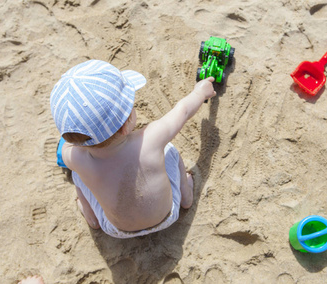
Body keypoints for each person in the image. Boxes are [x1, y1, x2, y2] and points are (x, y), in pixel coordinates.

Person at [50, 59, 216, 238]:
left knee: (77, 175)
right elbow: (183, 110)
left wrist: (74, 139)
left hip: (116, 230)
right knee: (169, 150)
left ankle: (92, 218)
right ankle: (186, 197)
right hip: (167, 216)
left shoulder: (77, 158)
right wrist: (200, 93)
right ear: (125, 126)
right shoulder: (151, 139)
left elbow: (65, 148)